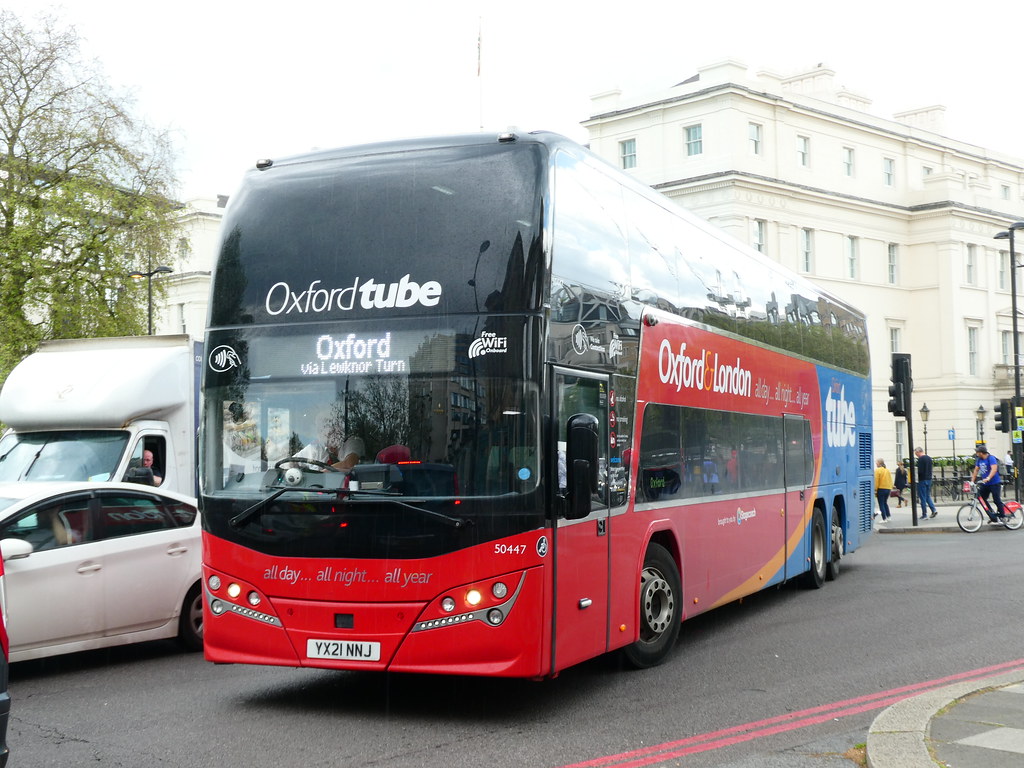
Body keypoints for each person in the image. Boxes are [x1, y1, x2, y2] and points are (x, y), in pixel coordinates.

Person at [971, 444, 1007, 522]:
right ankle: (992, 514)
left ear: (981, 452)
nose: (976, 453)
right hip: (985, 484)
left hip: (994, 483)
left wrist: (988, 478)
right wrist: (972, 481)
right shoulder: (979, 460)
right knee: (982, 499)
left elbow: (994, 469)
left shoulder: (991, 458)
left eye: (977, 452)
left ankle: (1003, 516)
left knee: (996, 500)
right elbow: (976, 470)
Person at [914, 447, 937, 518]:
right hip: (929, 479)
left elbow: (920, 471)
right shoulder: (929, 458)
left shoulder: (920, 459)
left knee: (922, 497)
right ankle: (933, 510)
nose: (916, 455)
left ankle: (924, 514)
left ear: (918, 452)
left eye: (916, 453)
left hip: (922, 480)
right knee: (927, 496)